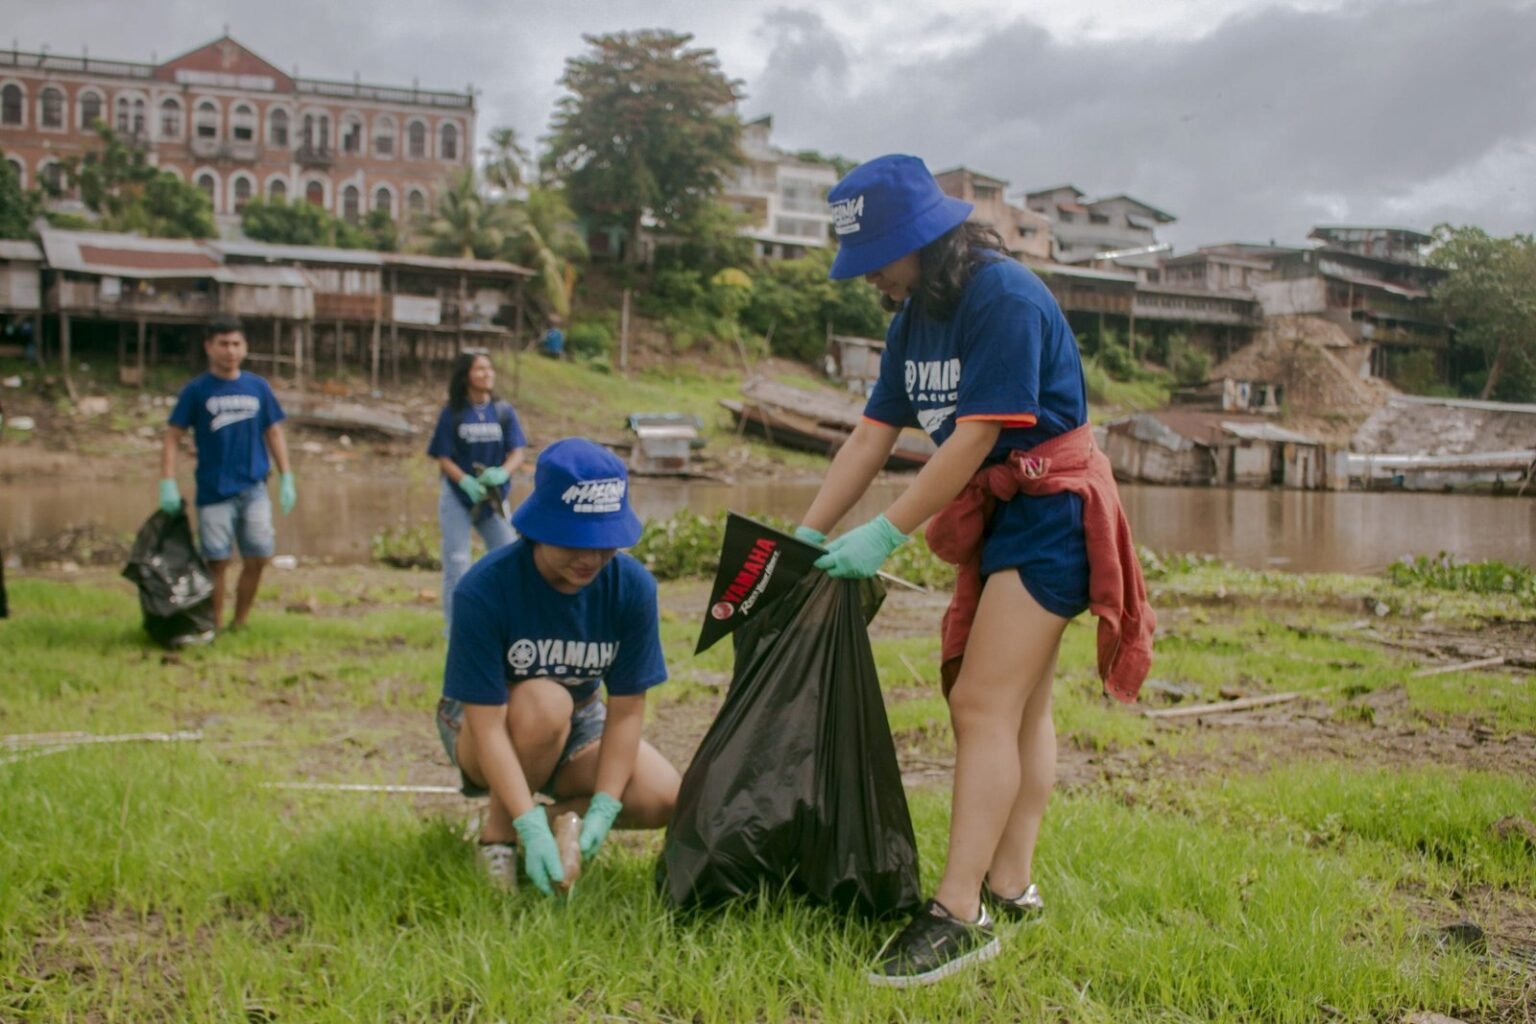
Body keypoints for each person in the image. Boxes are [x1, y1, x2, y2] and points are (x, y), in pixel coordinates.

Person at [794, 155, 1153, 987]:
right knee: (1020, 705)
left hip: (1053, 510)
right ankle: (1012, 885)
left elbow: (976, 436)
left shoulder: (1004, 298)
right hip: (1003, 510)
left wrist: (884, 534)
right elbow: (872, 434)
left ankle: (959, 915)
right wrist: (806, 535)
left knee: (981, 702)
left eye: (878, 257)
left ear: (922, 236)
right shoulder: (912, 316)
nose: (871, 279)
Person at [434, 437, 681, 895]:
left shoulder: (631, 588)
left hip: (581, 717)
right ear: (540, 525)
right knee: (545, 702)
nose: (590, 558)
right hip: (486, 721)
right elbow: (486, 725)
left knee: (664, 797)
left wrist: (604, 805)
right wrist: (521, 823)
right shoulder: (485, 589)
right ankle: (499, 838)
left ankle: (555, 822)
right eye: (574, 542)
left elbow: (626, 709)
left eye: (604, 543)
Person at [160, 315, 295, 632]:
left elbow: (274, 432)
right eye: (223, 344)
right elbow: (172, 437)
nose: (230, 351)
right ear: (209, 347)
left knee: (259, 556)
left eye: (236, 344)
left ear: (244, 347)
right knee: (217, 562)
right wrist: (167, 480)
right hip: (214, 490)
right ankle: (216, 625)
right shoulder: (196, 391)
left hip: (254, 487)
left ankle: (241, 621)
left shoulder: (257, 387)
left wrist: (286, 474)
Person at [426, 351, 527, 630]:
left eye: (489, 368)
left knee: (510, 555)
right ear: (466, 375)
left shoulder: (503, 412)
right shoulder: (453, 413)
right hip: (459, 496)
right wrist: (465, 482)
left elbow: (517, 451)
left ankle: (507, 624)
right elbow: (443, 456)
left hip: (493, 498)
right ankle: (456, 630)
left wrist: (502, 473)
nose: (486, 373)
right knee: (457, 564)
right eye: (479, 368)